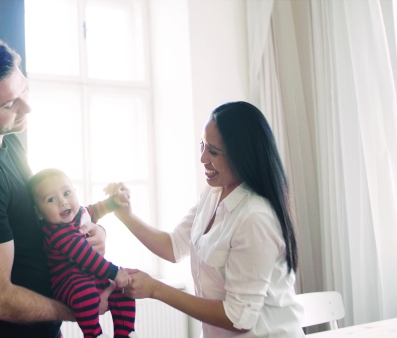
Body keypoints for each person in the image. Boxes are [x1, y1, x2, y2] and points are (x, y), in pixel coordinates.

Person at [0, 36, 112, 338]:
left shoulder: (8, 140)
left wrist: (93, 230)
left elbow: (41, 212)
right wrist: (79, 309)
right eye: (9, 104)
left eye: (24, 89)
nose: (27, 106)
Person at [110, 101, 304, 337]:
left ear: (242, 155)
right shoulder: (213, 194)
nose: (202, 158)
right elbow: (174, 246)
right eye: (202, 145)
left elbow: (238, 318)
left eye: (213, 151)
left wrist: (155, 289)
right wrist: (125, 215)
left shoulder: (256, 217)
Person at [28, 168, 138, 338]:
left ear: (75, 192)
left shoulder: (80, 213)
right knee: (85, 293)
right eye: (51, 199)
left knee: (126, 288)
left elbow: (95, 209)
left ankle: (125, 333)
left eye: (66, 193)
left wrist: (115, 201)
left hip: (92, 275)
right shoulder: (58, 233)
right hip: (68, 283)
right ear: (39, 213)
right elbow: (88, 258)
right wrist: (115, 273)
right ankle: (94, 334)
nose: (63, 202)